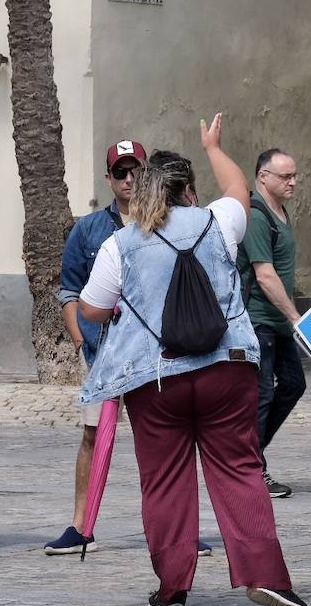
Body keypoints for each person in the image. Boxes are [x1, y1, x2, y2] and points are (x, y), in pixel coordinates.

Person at [77, 115, 308, 606]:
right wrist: (213, 146)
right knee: (240, 468)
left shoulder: (121, 243)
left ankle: (173, 587)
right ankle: (266, 576)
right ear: (188, 191)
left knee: (164, 479)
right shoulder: (217, 221)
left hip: (157, 378)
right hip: (228, 366)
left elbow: (91, 309)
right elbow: (239, 187)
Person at [45, 140, 213, 557]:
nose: (129, 179)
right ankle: (81, 525)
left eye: (136, 170)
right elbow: (69, 291)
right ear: (108, 179)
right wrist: (81, 340)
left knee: (164, 440)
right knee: (92, 435)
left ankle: (179, 528)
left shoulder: (166, 222)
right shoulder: (88, 230)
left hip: (155, 353)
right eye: (120, 172)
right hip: (104, 352)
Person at [236, 148, 306, 498]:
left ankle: (250, 454)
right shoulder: (256, 215)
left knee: (294, 384)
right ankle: (252, 469)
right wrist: (295, 316)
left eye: (294, 175)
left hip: (278, 321)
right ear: (263, 177)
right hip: (258, 321)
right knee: (261, 395)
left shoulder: (280, 211)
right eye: (285, 176)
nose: (293, 182)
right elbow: (264, 274)